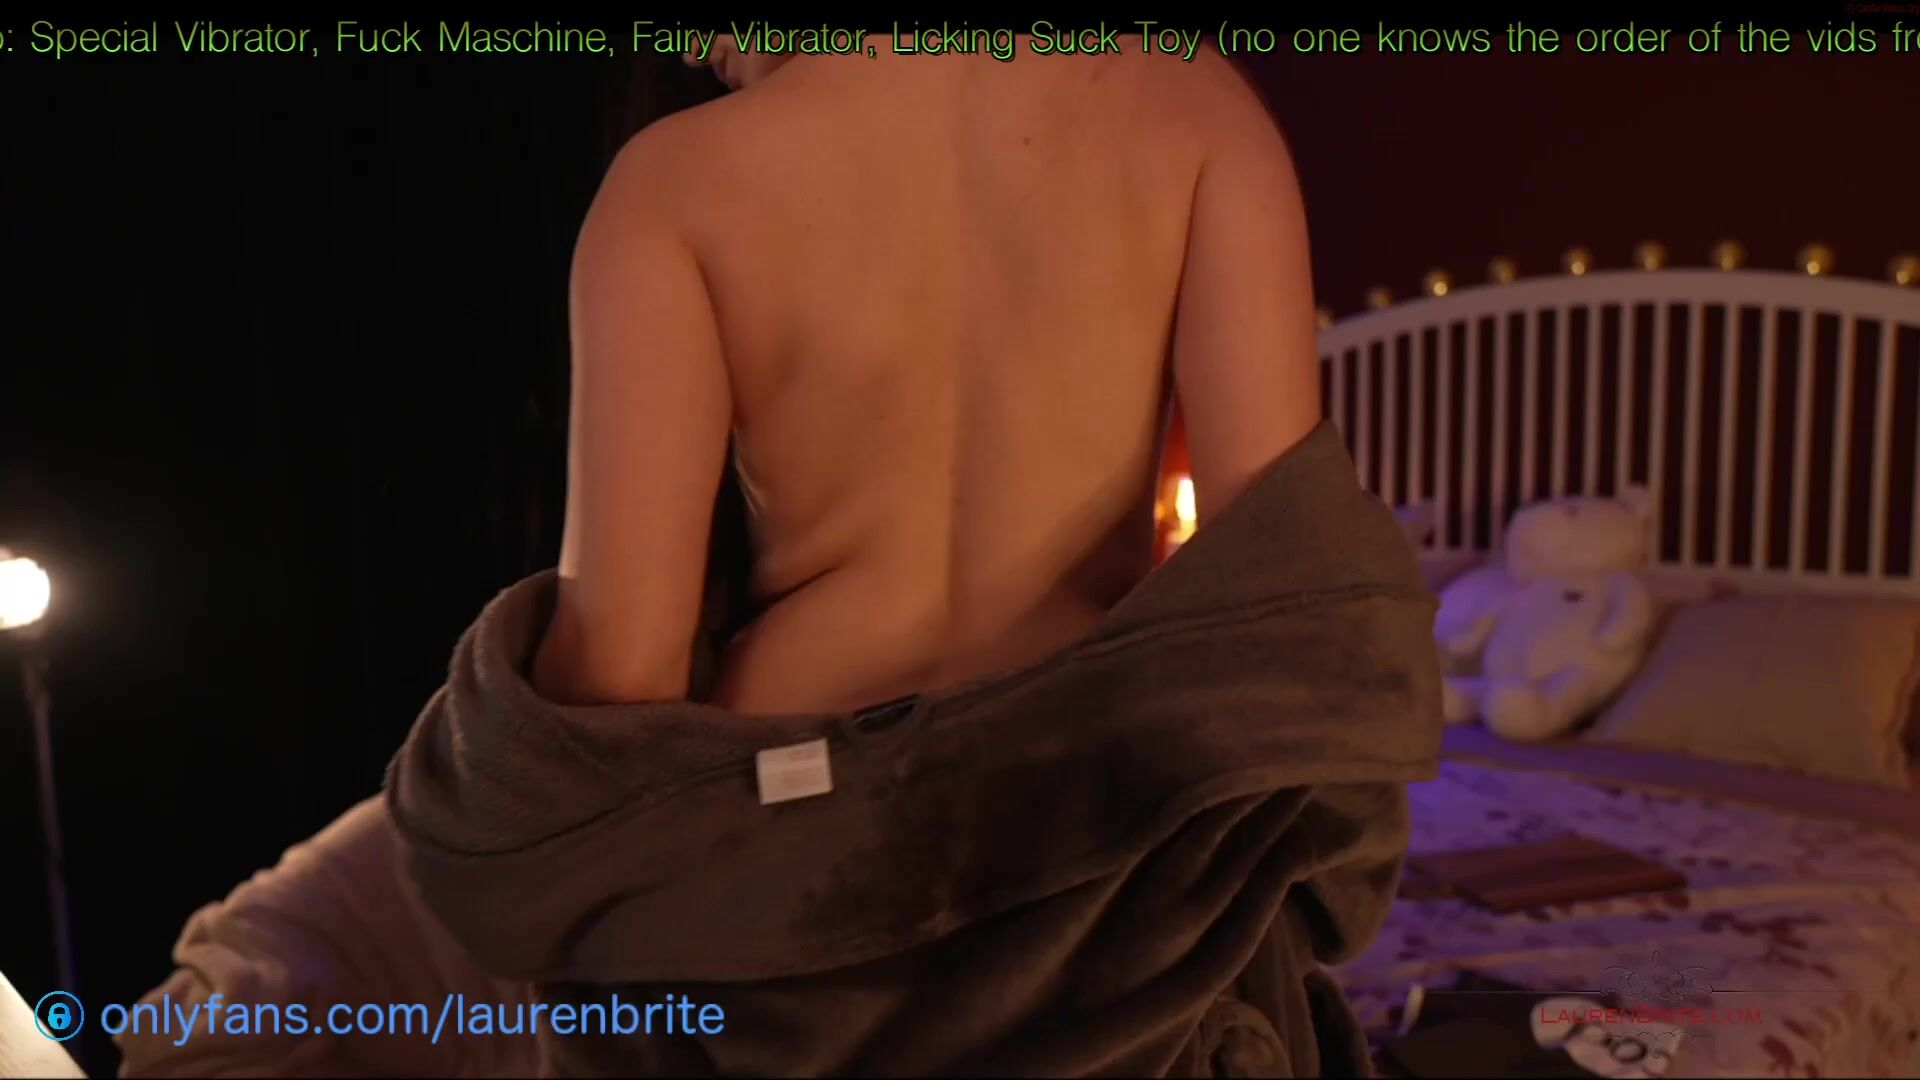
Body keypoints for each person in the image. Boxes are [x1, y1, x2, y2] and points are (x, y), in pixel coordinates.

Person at [528, 32, 1323, 713]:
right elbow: (1288, 605)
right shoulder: (1202, 111)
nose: (693, 46)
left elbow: (618, 673)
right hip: (1095, 778)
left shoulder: (671, 183)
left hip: (789, 794)